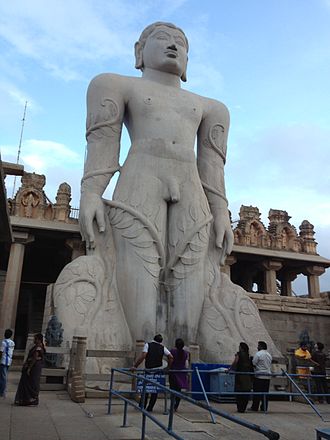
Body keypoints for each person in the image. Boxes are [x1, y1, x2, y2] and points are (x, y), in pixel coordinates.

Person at [79, 21, 234, 344]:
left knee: (191, 269)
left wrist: (221, 212)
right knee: (137, 262)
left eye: (181, 42)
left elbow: (212, 166)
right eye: (163, 38)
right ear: (139, 52)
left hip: (189, 184)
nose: (174, 45)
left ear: (188, 60)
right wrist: (91, 192)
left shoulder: (212, 107)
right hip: (141, 176)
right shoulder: (113, 84)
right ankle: (137, 352)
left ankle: (185, 354)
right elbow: (103, 142)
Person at [133, 334, 173, 412]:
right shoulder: (162, 347)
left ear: (153, 339)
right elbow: (171, 357)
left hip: (148, 370)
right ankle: (150, 407)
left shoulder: (147, 345)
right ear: (161, 341)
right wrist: (168, 368)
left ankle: (142, 406)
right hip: (158, 371)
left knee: (146, 387)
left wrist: (135, 366)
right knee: (155, 389)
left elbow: (143, 355)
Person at [15, 333, 45, 406]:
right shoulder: (37, 346)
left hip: (34, 368)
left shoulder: (39, 347)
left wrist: (29, 368)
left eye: (35, 339)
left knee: (31, 383)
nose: (34, 340)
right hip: (33, 366)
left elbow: (35, 358)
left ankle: (30, 399)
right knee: (29, 382)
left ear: (39, 339)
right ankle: (26, 399)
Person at [230, 342, 253, 413]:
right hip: (247, 376)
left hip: (240, 375)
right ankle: (243, 408)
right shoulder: (248, 356)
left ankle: (240, 408)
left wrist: (230, 369)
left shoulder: (239, 354)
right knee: (246, 392)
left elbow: (235, 362)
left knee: (239, 392)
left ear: (241, 348)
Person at [250, 341, 272, 412]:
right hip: (268, 376)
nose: (257, 347)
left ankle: (255, 407)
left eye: (258, 346)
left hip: (259, 376)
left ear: (261, 346)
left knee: (257, 393)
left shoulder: (258, 354)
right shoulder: (269, 355)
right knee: (265, 393)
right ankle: (264, 407)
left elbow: (253, 363)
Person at [169, 338, 189, 411]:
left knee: (172, 390)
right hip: (181, 373)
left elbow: (170, 360)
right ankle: (176, 406)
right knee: (179, 390)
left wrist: (169, 368)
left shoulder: (172, 351)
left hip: (173, 373)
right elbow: (186, 364)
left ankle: (172, 405)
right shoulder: (186, 353)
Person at [0, 329, 15, 398]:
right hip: (9, 361)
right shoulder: (12, 342)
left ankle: (3, 392)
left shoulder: (3, 342)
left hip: (3, 361)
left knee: (3, 377)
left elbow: (1, 352)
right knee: (4, 376)